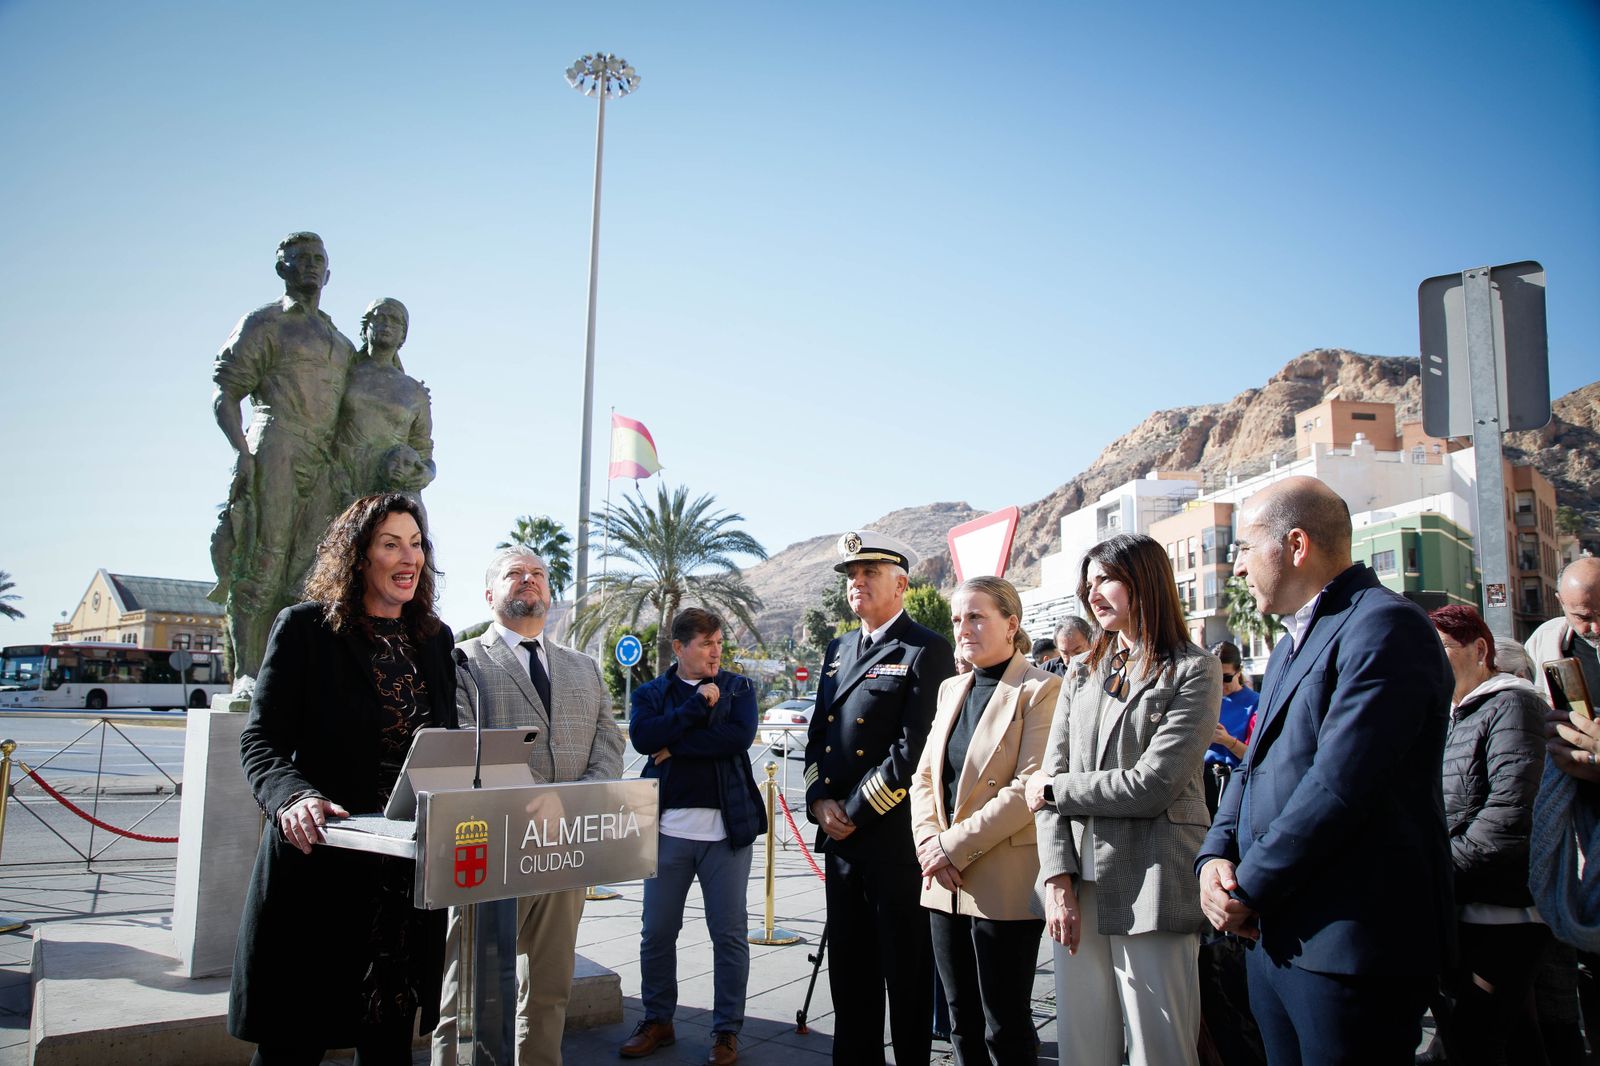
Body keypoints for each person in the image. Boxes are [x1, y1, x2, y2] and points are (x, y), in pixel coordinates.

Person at [1195, 475, 1454, 1065]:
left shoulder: (1385, 626)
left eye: (1243, 548)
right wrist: (1213, 857)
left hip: (1350, 947)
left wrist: (1249, 886)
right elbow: (1252, 764)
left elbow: (1341, 785)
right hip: (1275, 940)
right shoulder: (1288, 646)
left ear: (1295, 545)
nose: (1237, 570)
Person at [228, 492, 457, 1065]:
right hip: (322, 868)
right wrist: (294, 796)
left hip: (403, 882)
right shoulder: (306, 629)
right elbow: (260, 742)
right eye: (390, 544)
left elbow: (445, 748)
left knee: (388, 1044)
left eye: (416, 544)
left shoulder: (434, 640)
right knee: (293, 1046)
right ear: (358, 557)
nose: (410, 557)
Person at [1023, 533, 1220, 1066]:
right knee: (1084, 1046)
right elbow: (1051, 775)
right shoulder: (1082, 671)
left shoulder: (1193, 670)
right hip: (1078, 887)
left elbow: (1152, 784)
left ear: (1145, 580)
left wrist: (1053, 791)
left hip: (1152, 881)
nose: (1094, 595)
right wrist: (1057, 879)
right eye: (1087, 585)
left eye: (1106, 579)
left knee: (1160, 1049)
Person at [432, 548, 624, 1066]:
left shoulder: (584, 667)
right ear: (489, 594)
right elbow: (463, 743)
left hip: (566, 854)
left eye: (537, 574)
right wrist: (542, 804)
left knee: (548, 991)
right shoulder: (461, 661)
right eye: (513, 574)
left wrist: (580, 800)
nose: (528, 581)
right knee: (466, 997)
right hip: (492, 854)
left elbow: (608, 742)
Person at [803, 530, 956, 1066]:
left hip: (893, 842)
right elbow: (818, 736)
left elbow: (914, 749)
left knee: (906, 975)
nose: (857, 583)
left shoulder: (926, 648)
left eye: (869, 573)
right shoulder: (839, 648)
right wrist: (821, 801)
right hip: (841, 843)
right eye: (851, 575)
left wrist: (854, 810)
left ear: (902, 584)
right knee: (851, 976)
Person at [912, 577, 1061, 1066]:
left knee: (1006, 1024)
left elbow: (1028, 788)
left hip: (1001, 881)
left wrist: (950, 847)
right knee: (960, 1022)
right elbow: (925, 778)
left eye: (977, 617)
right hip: (942, 880)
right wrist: (929, 844)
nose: (964, 628)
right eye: (958, 619)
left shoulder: (1041, 688)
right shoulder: (951, 688)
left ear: (1011, 623)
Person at [620, 607, 764, 1066]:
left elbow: (736, 739)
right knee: (657, 932)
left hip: (726, 834)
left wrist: (675, 746)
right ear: (679, 647)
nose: (715, 650)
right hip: (666, 833)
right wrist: (696, 705)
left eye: (719, 641)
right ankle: (658, 1019)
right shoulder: (651, 693)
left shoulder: (740, 688)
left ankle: (726, 1031)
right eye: (705, 643)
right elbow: (644, 737)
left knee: (729, 935)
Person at [211, 231, 357, 680]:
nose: (311, 265)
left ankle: (289, 676)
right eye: (301, 258)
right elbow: (227, 395)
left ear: (329, 273)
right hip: (276, 442)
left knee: (311, 571)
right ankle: (247, 675)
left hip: (325, 460)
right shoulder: (264, 323)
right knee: (263, 559)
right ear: (282, 268)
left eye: (318, 259)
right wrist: (242, 453)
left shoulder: (341, 341)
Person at [1425, 604, 1550, 1066]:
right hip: (1466, 908)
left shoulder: (1513, 703)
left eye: (1441, 650)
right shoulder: (1453, 714)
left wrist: (1436, 872)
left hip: (1504, 915)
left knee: (1476, 1042)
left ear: (1481, 650)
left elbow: (1510, 816)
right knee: (1511, 1041)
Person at [333, 298, 437, 509]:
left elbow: (423, 450)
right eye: (379, 317)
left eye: (394, 320)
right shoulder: (342, 375)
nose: (386, 324)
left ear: (403, 336)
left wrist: (429, 473)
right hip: (343, 478)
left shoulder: (414, 391)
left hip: (391, 484)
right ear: (365, 328)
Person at [1202, 640, 1258, 817]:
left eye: (1226, 677)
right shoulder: (1202, 698)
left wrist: (1227, 741)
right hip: (1199, 781)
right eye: (1215, 677)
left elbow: (1256, 756)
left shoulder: (1255, 703)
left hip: (1232, 782)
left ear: (1238, 671)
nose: (1221, 684)